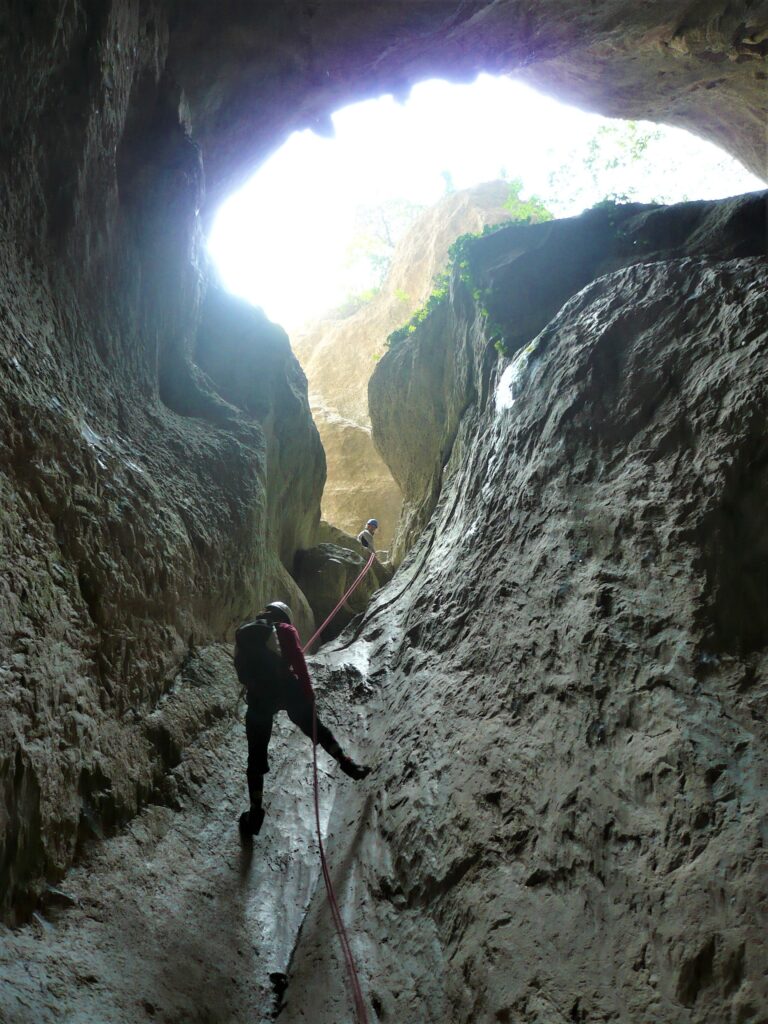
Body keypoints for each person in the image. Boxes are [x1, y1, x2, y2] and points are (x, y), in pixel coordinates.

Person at [234, 601, 371, 837]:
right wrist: (308, 693)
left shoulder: (247, 631)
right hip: (286, 688)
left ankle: (255, 811)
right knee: (316, 728)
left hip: (259, 697)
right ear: (285, 616)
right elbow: (298, 659)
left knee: (255, 758)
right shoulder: (285, 629)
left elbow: (240, 669)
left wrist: (256, 689)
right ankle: (347, 762)